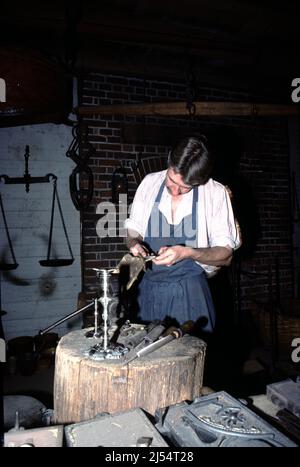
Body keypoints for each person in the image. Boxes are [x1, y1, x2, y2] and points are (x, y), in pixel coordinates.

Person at [124, 135, 241, 333]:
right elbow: (132, 230)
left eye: (185, 188)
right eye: (171, 181)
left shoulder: (215, 193)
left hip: (190, 296)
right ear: (169, 161)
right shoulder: (149, 184)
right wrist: (134, 242)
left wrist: (187, 253)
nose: (176, 192)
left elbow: (225, 255)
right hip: (148, 294)